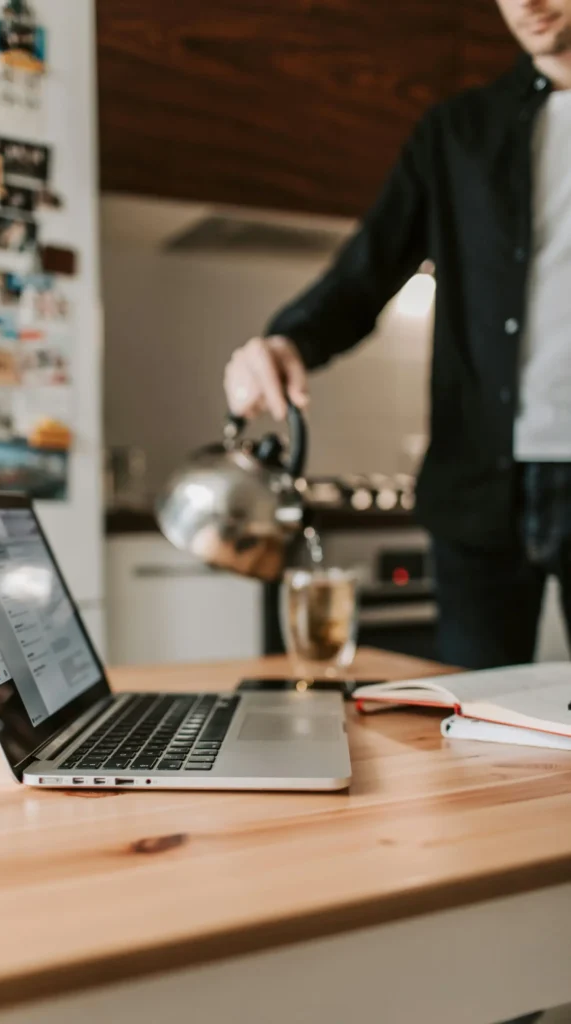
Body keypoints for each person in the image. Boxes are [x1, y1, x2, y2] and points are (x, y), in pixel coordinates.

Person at [224, 0, 571, 680]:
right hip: (476, 482)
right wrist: (289, 341)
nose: (524, 3)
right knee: (477, 725)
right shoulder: (457, 132)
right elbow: (367, 269)